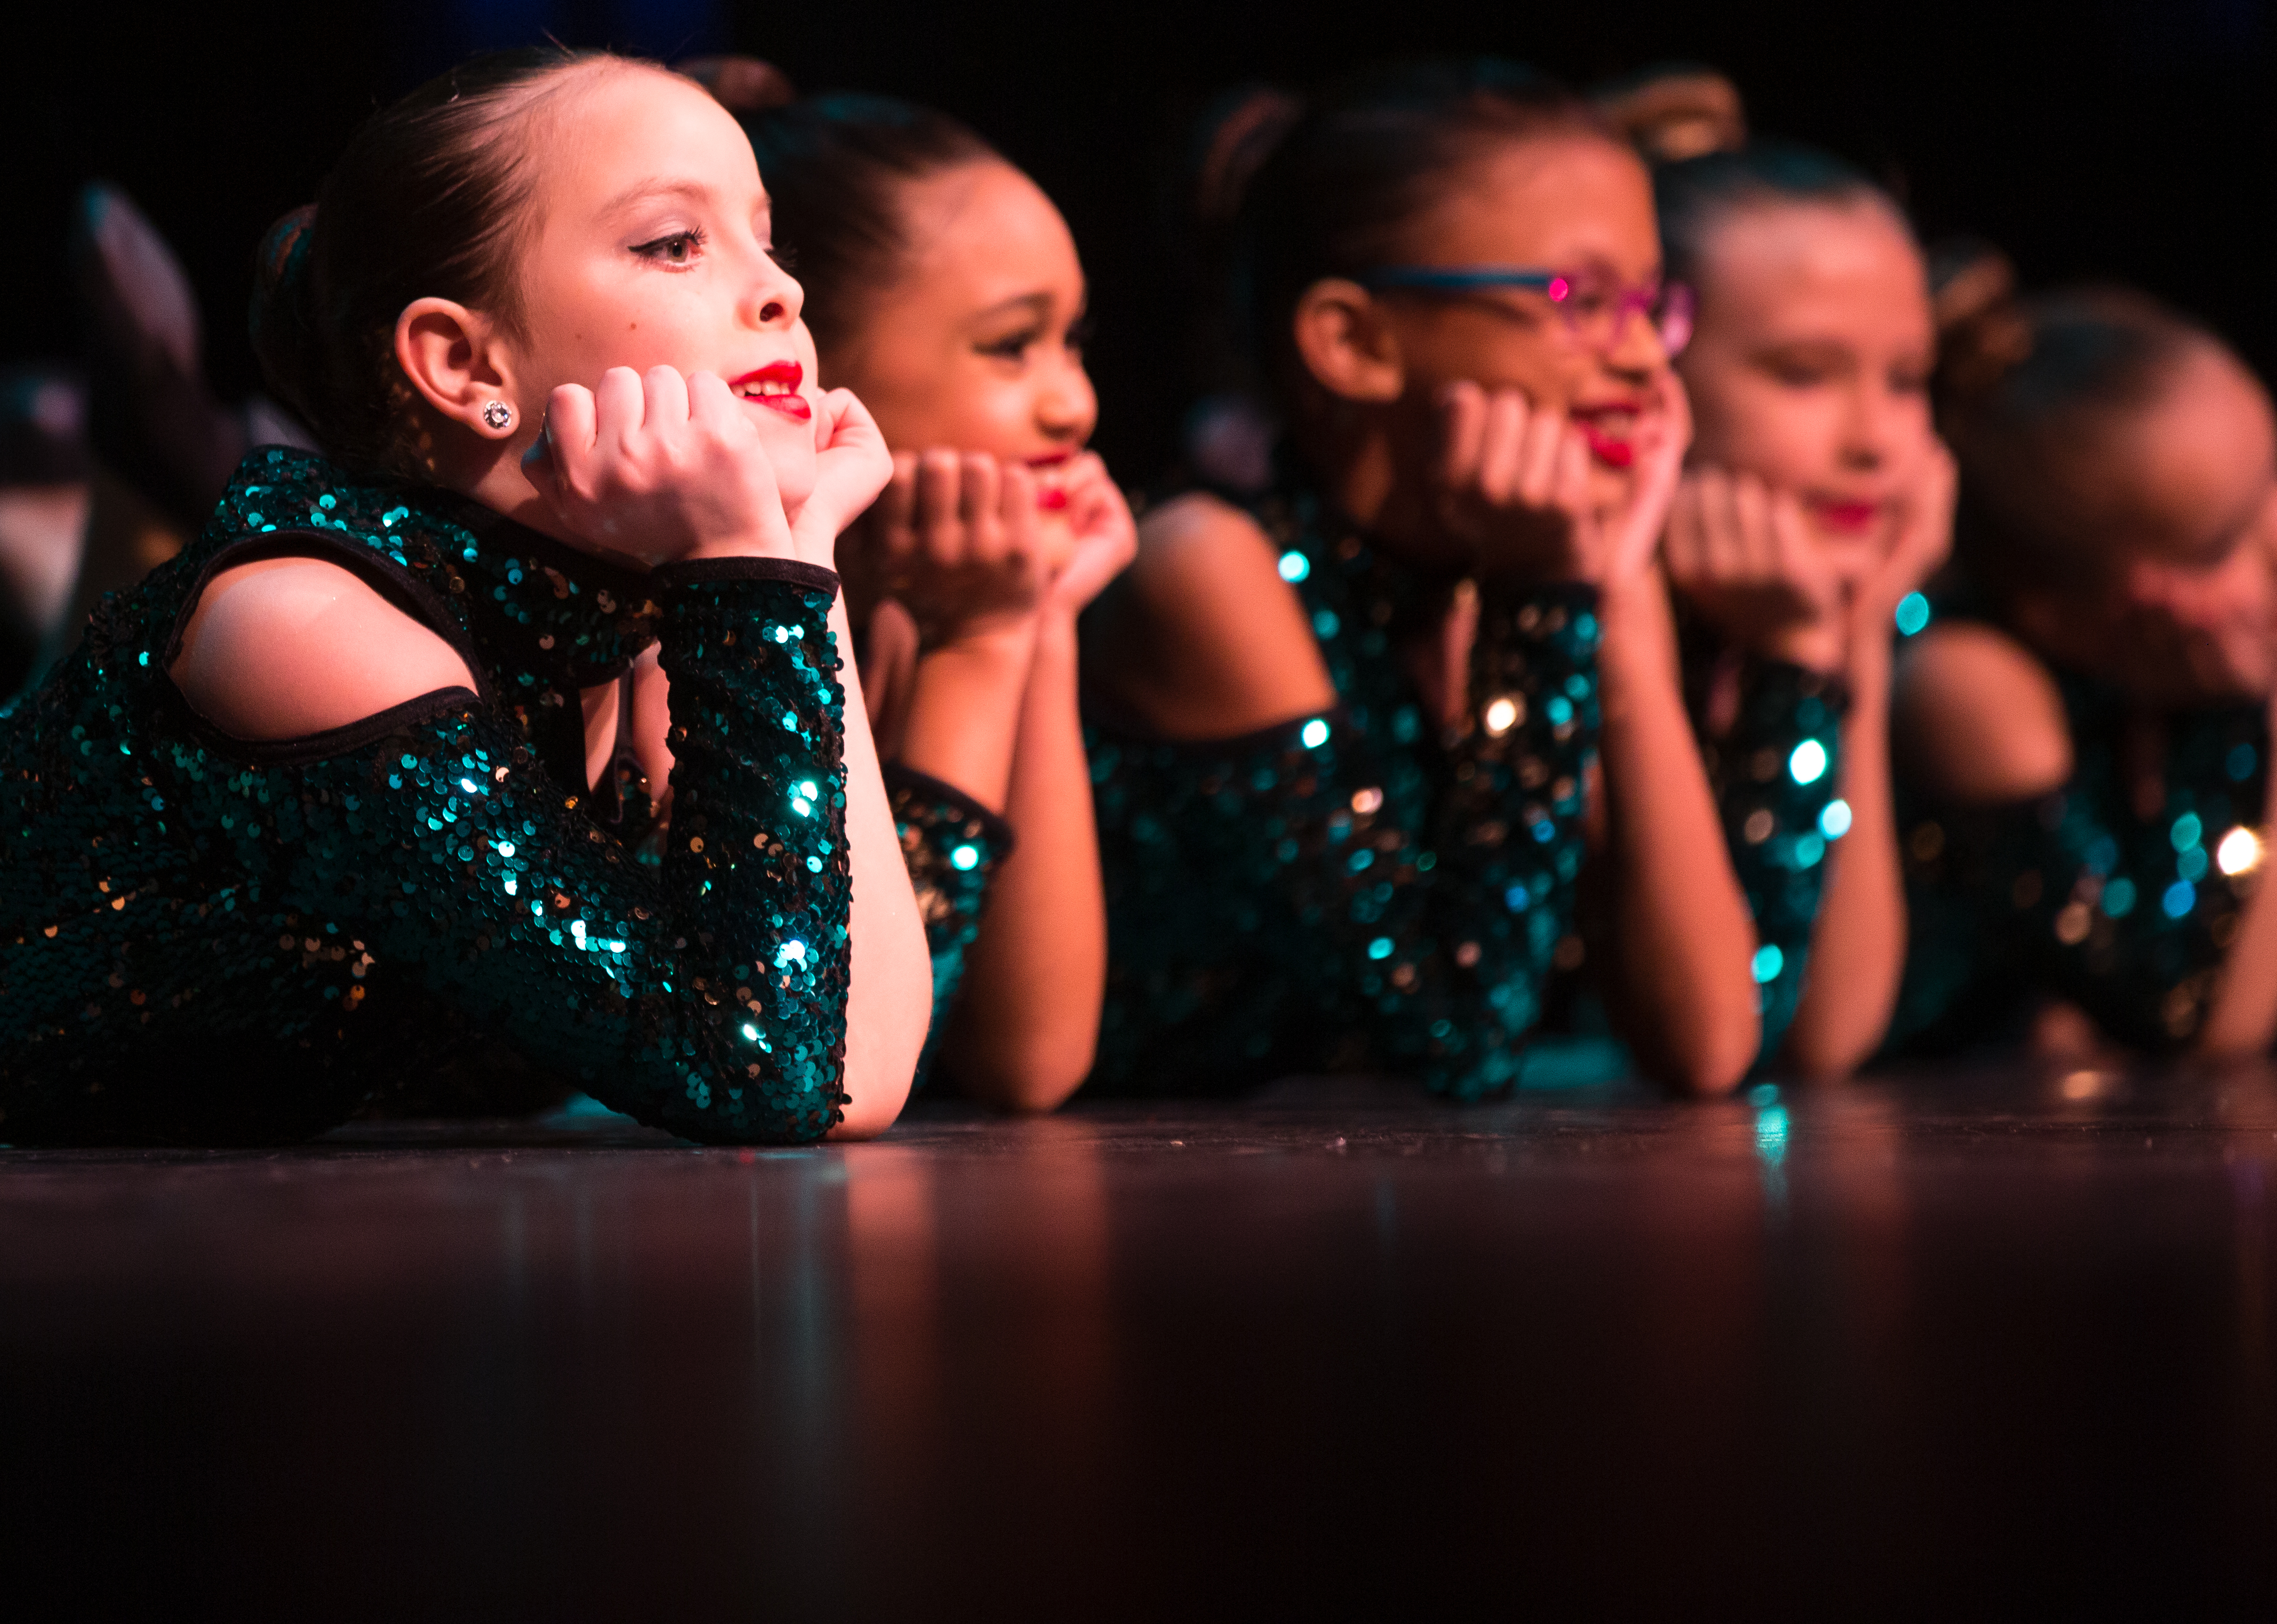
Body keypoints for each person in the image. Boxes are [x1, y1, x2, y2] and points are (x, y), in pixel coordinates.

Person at [0, 45, 930, 1146]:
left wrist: (798, 550)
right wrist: (753, 571)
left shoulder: (641, 635)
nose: (778, 290)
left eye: (768, 243)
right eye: (676, 244)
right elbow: (770, 1073)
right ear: (465, 365)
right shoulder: (312, 628)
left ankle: (52, 515)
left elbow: (849, 1067)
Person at [1080, 58, 1759, 1100]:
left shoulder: (1513, 585)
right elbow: (1452, 1037)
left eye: (1650, 302)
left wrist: (1614, 607)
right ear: (1354, 343)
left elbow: (1709, 1045)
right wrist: (1547, 609)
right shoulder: (1206, 567)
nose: (1642, 361)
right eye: (1578, 298)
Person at [712, 71, 1134, 1110]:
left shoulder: (939, 601)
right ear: (810, 361)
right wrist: (985, 645)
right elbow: (843, 1061)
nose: (1071, 405)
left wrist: (1033, 622)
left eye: (1073, 342)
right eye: (1009, 346)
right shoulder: (709, 623)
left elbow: (1031, 1060)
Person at [1889, 279, 2277, 1058]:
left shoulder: (2140, 673)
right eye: (2224, 542)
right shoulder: (1966, 681)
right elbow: (2202, 1023)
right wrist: (2242, 722)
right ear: (2072, 612)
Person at [1655, 142, 1951, 1078]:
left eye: (1905, 380)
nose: (1873, 440)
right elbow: (1715, 1042)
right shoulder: (1562, 617)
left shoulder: (1882, 621)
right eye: (1805, 373)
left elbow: (1828, 1035)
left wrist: (1844, 639)